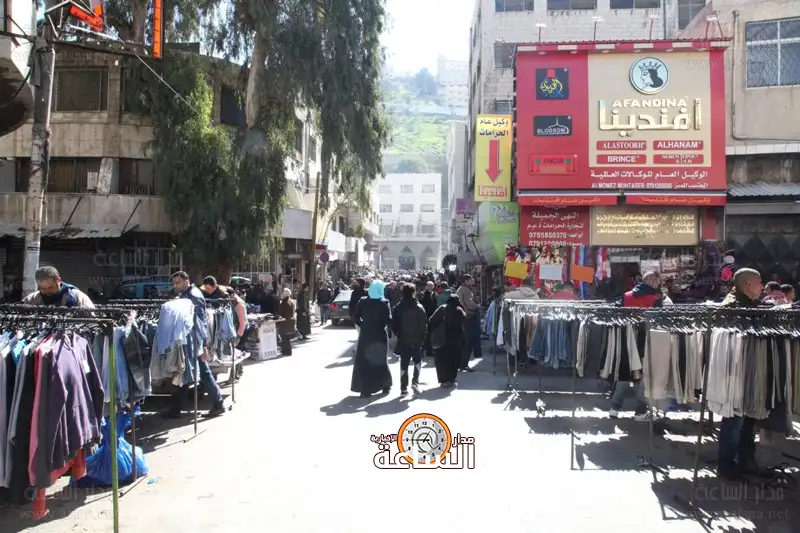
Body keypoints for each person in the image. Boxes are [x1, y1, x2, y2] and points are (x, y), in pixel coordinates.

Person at [717, 268, 764, 480]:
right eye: (759, 283)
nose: (762, 287)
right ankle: (726, 465)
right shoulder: (731, 307)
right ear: (748, 284)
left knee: (748, 418)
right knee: (734, 418)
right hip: (734, 370)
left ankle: (746, 460)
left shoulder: (749, 304)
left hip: (748, 367)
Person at [165, 271, 226, 419]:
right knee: (186, 371)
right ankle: (176, 408)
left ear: (186, 281)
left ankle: (218, 404)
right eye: (174, 283)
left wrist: (202, 344)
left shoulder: (194, 296)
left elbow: (200, 321)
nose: (175, 286)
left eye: (178, 282)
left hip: (194, 341)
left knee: (202, 373)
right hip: (190, 340)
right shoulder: (187, 294)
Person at [609, 271, 663, 421]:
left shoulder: (626, 296)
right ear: (653, 282)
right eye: (658, 282)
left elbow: (617, 315)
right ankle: (641, 411)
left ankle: (614, 409)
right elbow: (658, 323)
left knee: (624, 374)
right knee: (642, 376)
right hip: (645, 340)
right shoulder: (655, 300)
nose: (658, 285)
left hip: (626, 339)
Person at [351, 280, 392, 398]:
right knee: (380, 360)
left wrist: (363, 325)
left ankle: (365, 389)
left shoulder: (363, 301)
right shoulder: (384, 302)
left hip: (366, 335)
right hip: (379, 335)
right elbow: (388, 320)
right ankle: (385, 385)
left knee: (364, 361)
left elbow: (355, 317)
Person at [391, 284, 428, 395]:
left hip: (403, 339)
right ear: (413, 293)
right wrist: (424, 337)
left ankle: (403, 388)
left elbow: (393, 324)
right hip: (417, 339)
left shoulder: (398, 307)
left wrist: (398, 334)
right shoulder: (419, 307)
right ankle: (415, 382)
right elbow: (424, 325)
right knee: (418, 360)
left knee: (404, 363)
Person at [429, 295, 466, 388]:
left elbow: (431, 320)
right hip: (455, 340)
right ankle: (451, 379)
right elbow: (464, 322)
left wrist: (434, 332)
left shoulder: (442, 309)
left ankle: (443, 380)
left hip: (442, 339)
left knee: (441, 360)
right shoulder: (459, 311)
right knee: (453, 360)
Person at [22, 266, 95, 308]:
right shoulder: (32, 299)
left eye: (50, 287)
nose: (46, 291)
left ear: (58, 280)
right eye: (42, 288)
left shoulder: (78, 297)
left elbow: (92, 322)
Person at [456, 274, 481, 371]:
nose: (473, 281)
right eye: (471, 279)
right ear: (466, 280)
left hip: (463, 316)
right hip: (468, 317)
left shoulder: (461, 289)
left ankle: (461, 363)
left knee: (465, 342)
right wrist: (477, 306)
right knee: (468, 342)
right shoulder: (465, 290)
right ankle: (464, 364)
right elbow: (469, 304)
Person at [277, 288, 296, 355]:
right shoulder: (292, 301)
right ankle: (285, 350)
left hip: (284, 322)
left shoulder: (284, 302)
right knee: (286, 337)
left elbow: (281, 312)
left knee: (284, 337)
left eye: (283, 292)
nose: (282, 294)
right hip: (291, 321)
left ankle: (287, 351)